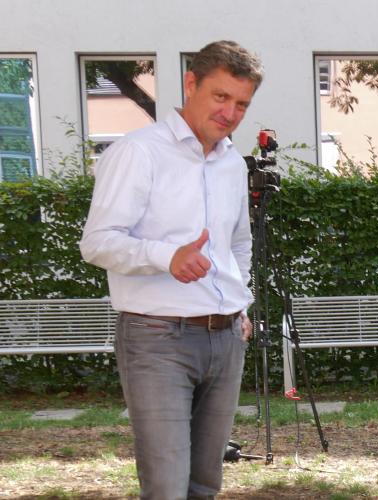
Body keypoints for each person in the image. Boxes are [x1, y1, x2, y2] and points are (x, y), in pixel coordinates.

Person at [79, 40, 263, 499]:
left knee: (205, 483)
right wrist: (167, 256)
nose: (230, 112)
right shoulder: (138, 153)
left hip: (225, 339)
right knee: (166, 486)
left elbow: (239, 243)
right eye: (221, 97)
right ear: (190, 83)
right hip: (157, 340)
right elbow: (98, 242)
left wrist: (242, 304)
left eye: (241, 103)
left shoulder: (231, 165)